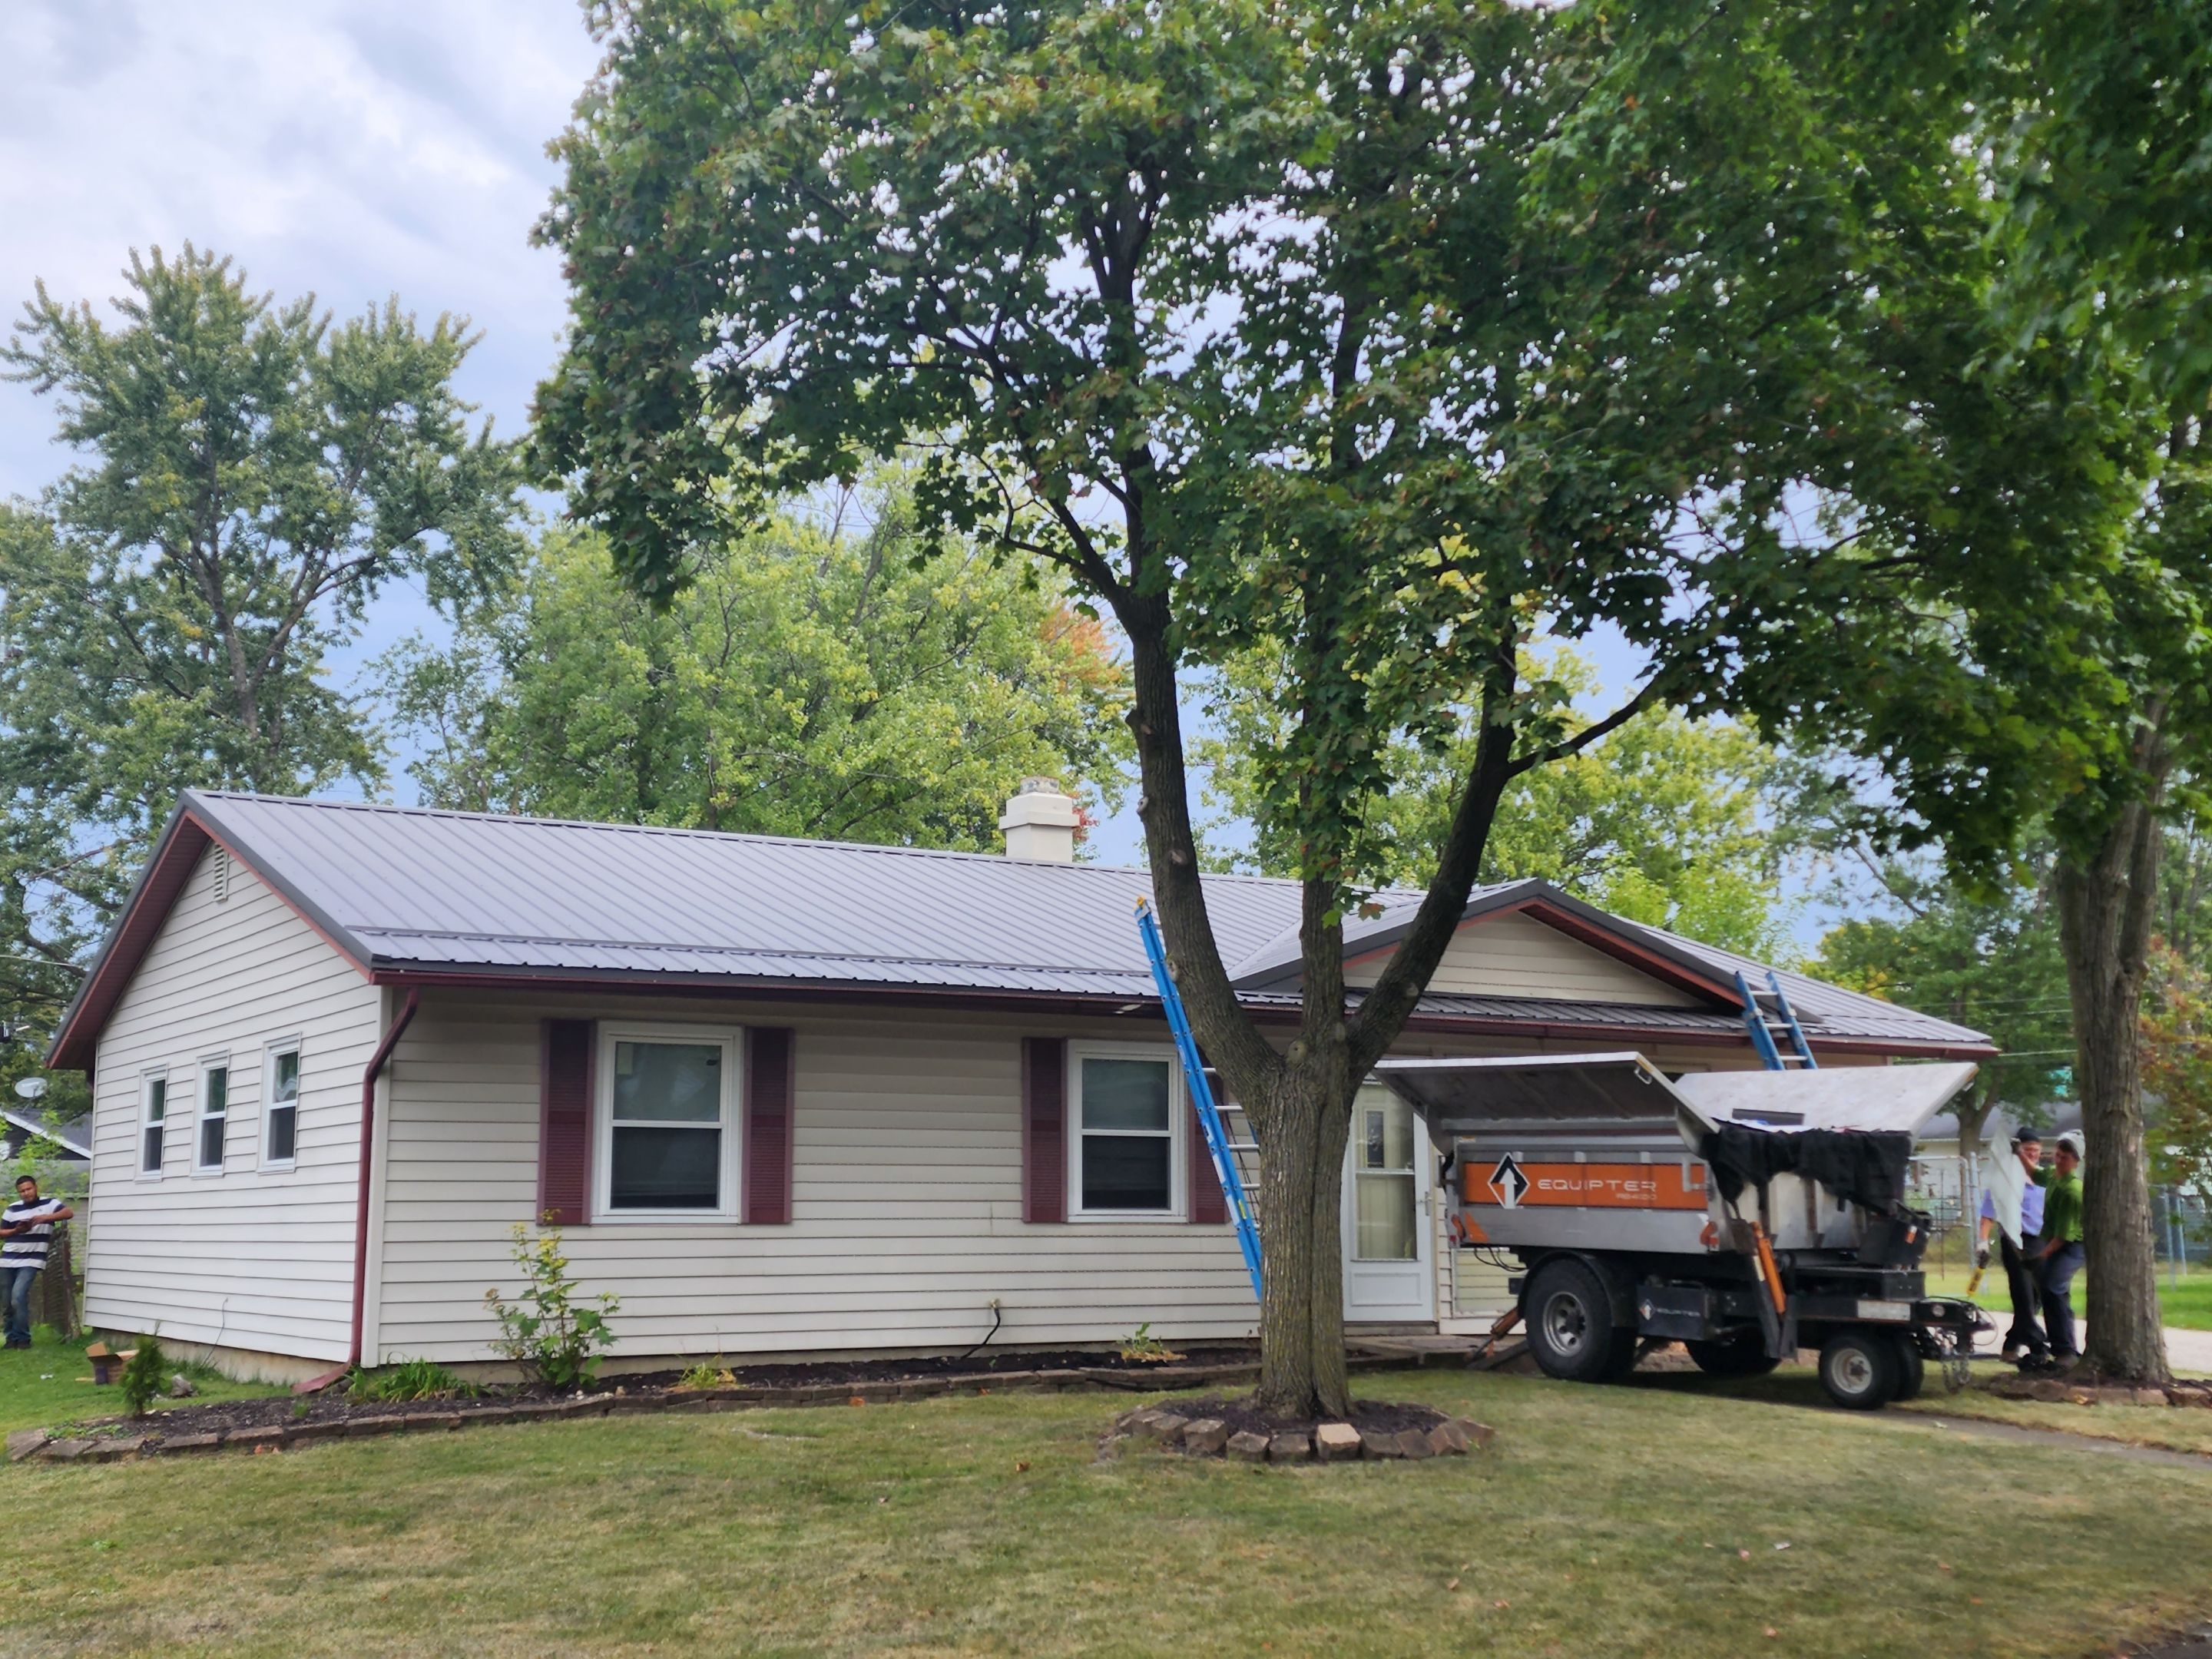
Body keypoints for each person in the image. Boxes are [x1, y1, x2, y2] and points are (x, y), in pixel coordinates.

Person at [1976, 1131, 2048, 1366]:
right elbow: (1988, 1214)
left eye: (2036, 1151)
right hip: (2015, 1241)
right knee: (2023, 1295)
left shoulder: (2043, 1180)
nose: (2033, 1156)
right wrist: (1983, 1241)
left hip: (2040, 1242)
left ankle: (2011, 1344)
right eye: (2028, 1151)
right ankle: (2039, 1346)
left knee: (2037, 1296)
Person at [0, 1176, 74, 1350]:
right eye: (22, 1191)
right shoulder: (12, 1209)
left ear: (35, 1187)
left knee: (18, 1296)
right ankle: (11, 1338)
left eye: (28, 1189)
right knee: (7, 1301)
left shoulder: (49, 1204)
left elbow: (69, 1213)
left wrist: (45, 1218)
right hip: (8, 1259)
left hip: (32, 1260)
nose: (26, 1193)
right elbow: (2, 1232)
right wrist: (16, 1230)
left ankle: (24, 1338)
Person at [2033, 1132, 2086, 1364]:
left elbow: (2064, 1236)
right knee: (2049, 1290)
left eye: (2064, 1158)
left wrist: (2040, 1256)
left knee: (2054, 1287)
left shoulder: (2072, 1191)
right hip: (2057, 1242)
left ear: (2076, 1161)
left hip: (2073, 1246)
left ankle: (2066, 1350)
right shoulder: (2055, 1179)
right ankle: (2061, 1347)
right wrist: (2019, 1155)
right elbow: (2037, 1174)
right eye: (2056, 1156)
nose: (2058, 1161)